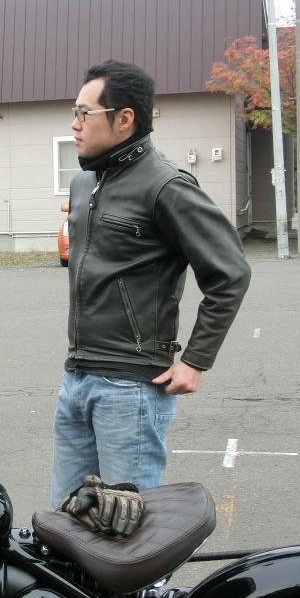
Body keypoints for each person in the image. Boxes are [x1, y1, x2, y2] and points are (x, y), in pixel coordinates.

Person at [51, 60, 251, 508]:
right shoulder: (84, 182)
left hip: (131, 389)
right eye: (74, 112)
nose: (75, 124)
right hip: (76, 378)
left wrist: (195, 361)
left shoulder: (166, 185)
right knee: (65, 521)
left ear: (124, 118)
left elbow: (230, 272)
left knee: (127, 531)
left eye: (85, 113)